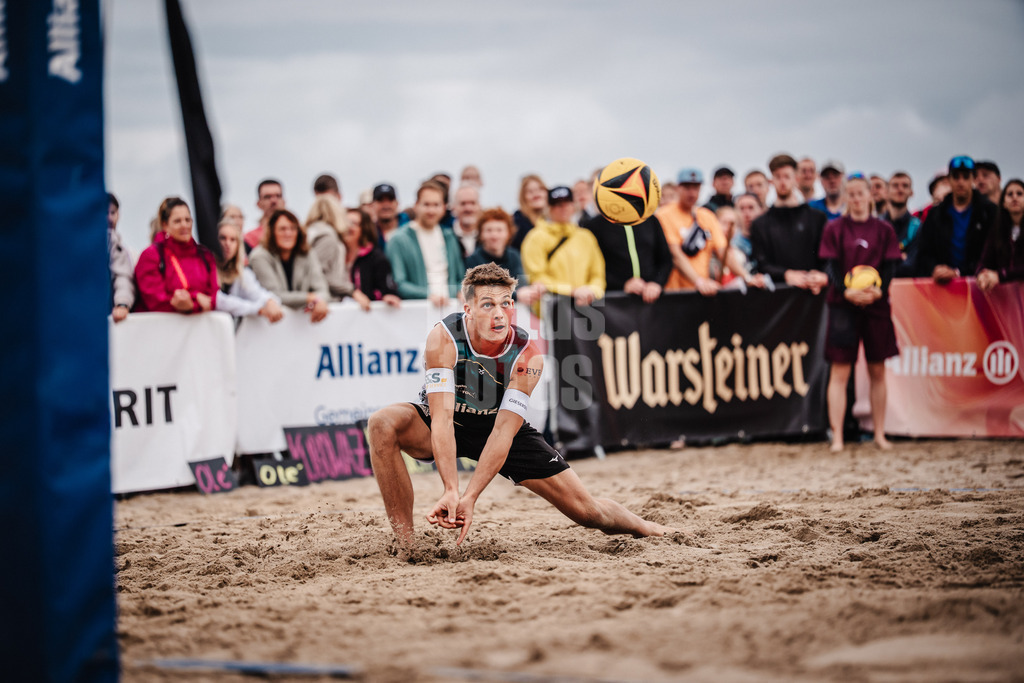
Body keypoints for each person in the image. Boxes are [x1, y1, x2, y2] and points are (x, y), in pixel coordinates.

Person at [367, 263, 676, 547]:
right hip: (449, 422)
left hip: (498, 427)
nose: (499, 313)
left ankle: (649, 528)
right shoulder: (443, 338)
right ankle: (407, 544)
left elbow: (502, 432)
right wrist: (451, 489)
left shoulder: (528, 354)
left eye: (505, 303)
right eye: (487, 304)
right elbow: (443, 420)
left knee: (588, 512)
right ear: (469, 310)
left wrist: (470, 497)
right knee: (382, 423)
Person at [819, 174, 903, 452]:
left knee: (877, 369)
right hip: (843, 306)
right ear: (845, 197)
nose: (856, 199)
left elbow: (891, 266)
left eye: (860, 193)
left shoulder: (884, 229)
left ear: (870, 195)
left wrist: (879, 290)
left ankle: (879, 434)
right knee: (840, 372)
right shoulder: (834, 228)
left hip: (875, 305)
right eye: (851, 194)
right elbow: (829, 266)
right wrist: (846, 291)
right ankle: (838, 437)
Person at [656, 168, 760, 296]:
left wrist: (747, 277)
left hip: (701, 293)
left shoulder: (707, 216)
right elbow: (676, 255)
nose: (692, 192)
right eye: (687, 187)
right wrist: (699, 282)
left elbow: (724, 253)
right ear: (678, 188)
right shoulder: (664, 215)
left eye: (696, 187)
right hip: (674, 293)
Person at [750, 154, 829, 294]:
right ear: (771, 181)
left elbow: (827, 258)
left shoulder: (817, 218)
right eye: (778, 176)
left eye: (787, 176)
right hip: (777, 300)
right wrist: (786, 274)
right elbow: (761, 263)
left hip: (813, 297)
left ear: (796, 179)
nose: (782, 182)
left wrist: (822, 276)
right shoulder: (760, 224)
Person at [916, 155, 998, 284]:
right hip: (942, 287)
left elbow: (993, 252)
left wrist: (959, 272)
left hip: (980, 286)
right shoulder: (936, 214)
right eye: (956, 177)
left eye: (966, 177)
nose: (961, 182)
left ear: (973, 180)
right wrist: (935, 269)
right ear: (950, 180)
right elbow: (924, 252)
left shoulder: (988, 212)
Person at [521, 186, 606, 307]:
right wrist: (573, 291)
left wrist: (592, 291)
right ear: (549, 209)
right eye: (557, 205)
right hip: (552, 308)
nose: (563, 208)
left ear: (573, 206)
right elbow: (537, 277)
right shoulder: (535, 237)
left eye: (567, 203)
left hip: (585, 306)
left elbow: (597, 274)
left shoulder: (586, 236)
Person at [385, 180, 465, 305]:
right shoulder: (399, 240)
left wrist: (460, 291)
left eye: (436, 205)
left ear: (444, 207)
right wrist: (428, 295)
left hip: (450, 308)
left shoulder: (449, 237)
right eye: (426, 204)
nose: (431, 210)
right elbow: (399, 283)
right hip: (418, 310)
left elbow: (460, 276)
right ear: (416, 205)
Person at [135, 197, 219, 314]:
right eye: (177, 221)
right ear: (165, 225)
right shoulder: (151, 256)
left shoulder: (205, 255)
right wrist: (196, 299)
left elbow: (214, 297)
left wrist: (191, 303)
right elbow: (155, 301)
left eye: (187, 220)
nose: (184, 225)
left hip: (201, 330)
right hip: (162, 330)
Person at [249, 209, 329, 322]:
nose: (288, 233)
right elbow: (274, 295)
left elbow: (322, 289)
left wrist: (319, 301)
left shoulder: (307, 254)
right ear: (272, 232)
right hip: (270, 325)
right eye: (282, 229)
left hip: (303, 324)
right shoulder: (259, 256)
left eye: (293, 228)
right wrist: (310, 298)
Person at [583, 206, 671, 304]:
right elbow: (592, 268)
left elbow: (666, 259)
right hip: (614, 303)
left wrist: (656, 283)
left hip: (652, 301)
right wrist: (622, 285)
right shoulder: (594, 225)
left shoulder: (650, 220)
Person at [465, 207, 545, 305]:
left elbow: (522, 284)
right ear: (481, 234)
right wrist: (516, 296)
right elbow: (481, 292)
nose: (494, 235)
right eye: (489, 230)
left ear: (508, 233)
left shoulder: (514, 255)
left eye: (499, 230)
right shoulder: (473, 260)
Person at [214, 219, 284, 323]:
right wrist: (258, 309)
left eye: (233, 240)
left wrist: (270, 301)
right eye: (223, 238)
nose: (227, 244)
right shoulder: (203, 268)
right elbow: (218, 300)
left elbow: (256, 292)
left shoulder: (242, 273)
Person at [342, 208, 401, 310]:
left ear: (364, 228)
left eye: (353, 223)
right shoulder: (335, 254)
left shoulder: (376, 258)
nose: (348, 227)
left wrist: (386, 296)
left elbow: (386, 289)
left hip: (365, 315)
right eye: (344, 222)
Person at [304, 194, 354, 301]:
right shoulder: (327, 238)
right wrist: (350, 290)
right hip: (326, 301)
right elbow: (319, 275)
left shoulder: (312, 233)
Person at [977, 178, 1024, 291]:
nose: (1014, 197)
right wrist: (982, 274)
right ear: (1003, 203)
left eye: (1019, 193)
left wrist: (1000, 275)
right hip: (1005, 301)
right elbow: (984, 260)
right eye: (1009, 194)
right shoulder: (997, 231)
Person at [879, 172, 921, 277]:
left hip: (909, 289)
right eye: (895, 185)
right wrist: (899, 258)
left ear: (911, 192)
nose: (900, 189)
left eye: (905, 186)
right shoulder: (877, 226)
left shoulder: (917, 227)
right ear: (886, 192)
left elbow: (912, 266)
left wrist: (886, 259)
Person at [107, 193, 135, 322]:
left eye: (112, 212)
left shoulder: (119, 248)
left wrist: (122, 303)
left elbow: (122, 276)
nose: (109, 218)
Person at [244, 178, 285, 253]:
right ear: (258, 204)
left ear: (284, 202)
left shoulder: (296, 234)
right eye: (267, 197)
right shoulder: (249, 239)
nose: (274, 201)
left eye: (278, 196)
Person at [509, 174, 549, 249]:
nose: (536, 194)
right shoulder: (516, 223)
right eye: (530, 191)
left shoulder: (551, 221)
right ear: (523, 197)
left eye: (540, 189)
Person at [732, 192, 764, 268]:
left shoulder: (770, 241)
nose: (746, 213)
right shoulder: (731, 244)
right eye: (741, 208)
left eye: (751, 208)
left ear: (760, 210)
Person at [451, 185, 482, 258]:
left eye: (473, 203)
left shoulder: (488, 236)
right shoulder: (445, 237)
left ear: (479, 206)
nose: (468, 208)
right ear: (454, 207)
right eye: (463, 203)